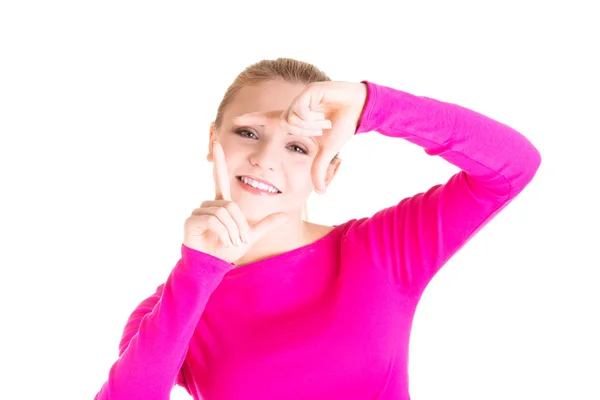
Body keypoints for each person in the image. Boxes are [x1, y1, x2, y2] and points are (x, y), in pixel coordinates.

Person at [94, 58, 541, 400]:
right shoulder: (173, 304)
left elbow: (512, 166)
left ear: (328, 166)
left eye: (297, 145)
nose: (267, 158)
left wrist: (374, 106)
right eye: (249, 132)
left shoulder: (379, 251)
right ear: (214, 141)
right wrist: (198, 273)